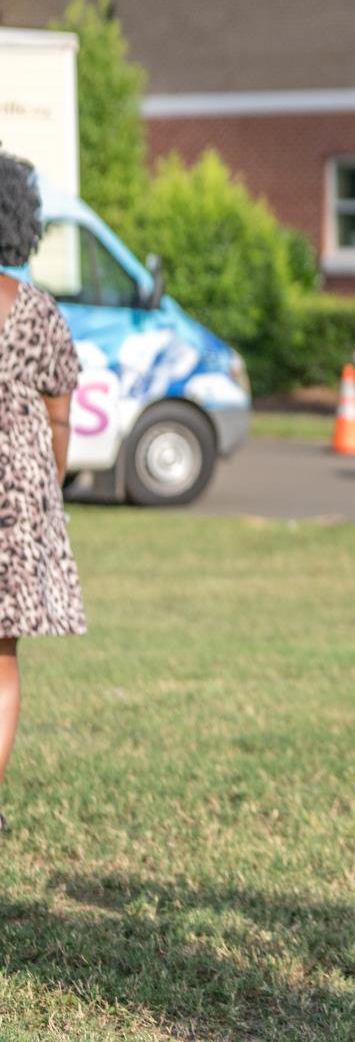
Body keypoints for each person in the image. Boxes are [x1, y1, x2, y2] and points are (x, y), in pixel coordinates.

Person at [0, 154, 82, 836]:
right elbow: (60, 420)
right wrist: (47, 491)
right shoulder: (39, 310)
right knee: (1, 661)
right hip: (20, 499)